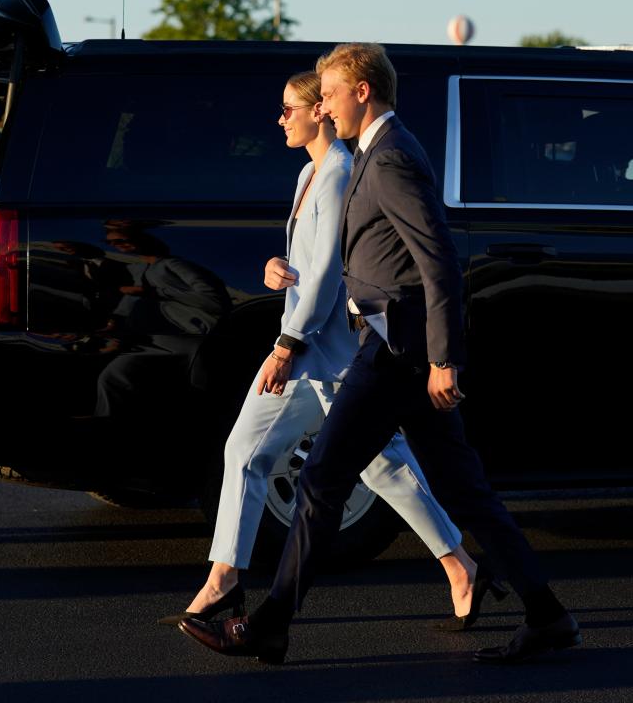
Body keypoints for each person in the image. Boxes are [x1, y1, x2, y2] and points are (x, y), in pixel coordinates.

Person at [179, 44, 580, 665]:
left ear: (362, 91)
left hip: (397, 348)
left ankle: (270, 625)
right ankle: (547, 614)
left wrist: (445, 358)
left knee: (321, 480)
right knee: (462, 489)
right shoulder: (371, 153)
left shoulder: (388, 158)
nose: (325, 104)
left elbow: (438, 259)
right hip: (392, 342)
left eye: (331, 93)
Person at [162, 71, 500, 633]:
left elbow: (326, 276)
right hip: (313, 345)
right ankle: (225, 580)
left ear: (319, 111)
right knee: (282, 456)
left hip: (326, 349)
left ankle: (460, 564)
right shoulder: (306, 174)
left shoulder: (342, 172)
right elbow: (308, 261)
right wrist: (277, 267)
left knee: (369, 466)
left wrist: (284, 344)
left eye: (289, 108)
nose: (281, 119)